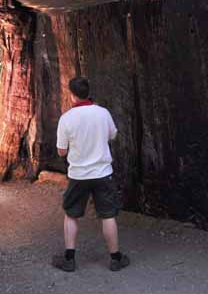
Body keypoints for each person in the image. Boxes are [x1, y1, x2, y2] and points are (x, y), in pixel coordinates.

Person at [52, 77, 130, 272]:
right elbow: (112, 135)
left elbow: (61, 151)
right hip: (103, 173)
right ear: (88, 92)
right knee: (108, 215)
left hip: (78, 175)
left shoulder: (67, 118)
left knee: (71, 215)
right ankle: (116, 258)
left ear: (72, 95)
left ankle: (69, 259)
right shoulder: (103, 113)